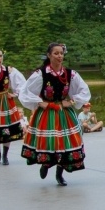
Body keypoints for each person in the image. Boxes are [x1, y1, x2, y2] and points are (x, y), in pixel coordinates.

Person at [19, 43, 91, 186]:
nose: (59, 56)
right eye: (56, 53)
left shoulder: (70, 74)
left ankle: (59, 174)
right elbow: (25, 91)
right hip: (47, 113)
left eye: (61, 53)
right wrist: (40, 102)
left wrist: (71, 101)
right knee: (50, 142)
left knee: (65, 143)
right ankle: (45, 165)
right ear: (49, 55)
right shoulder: (41, 73)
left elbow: (84, 90)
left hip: (64, 113)